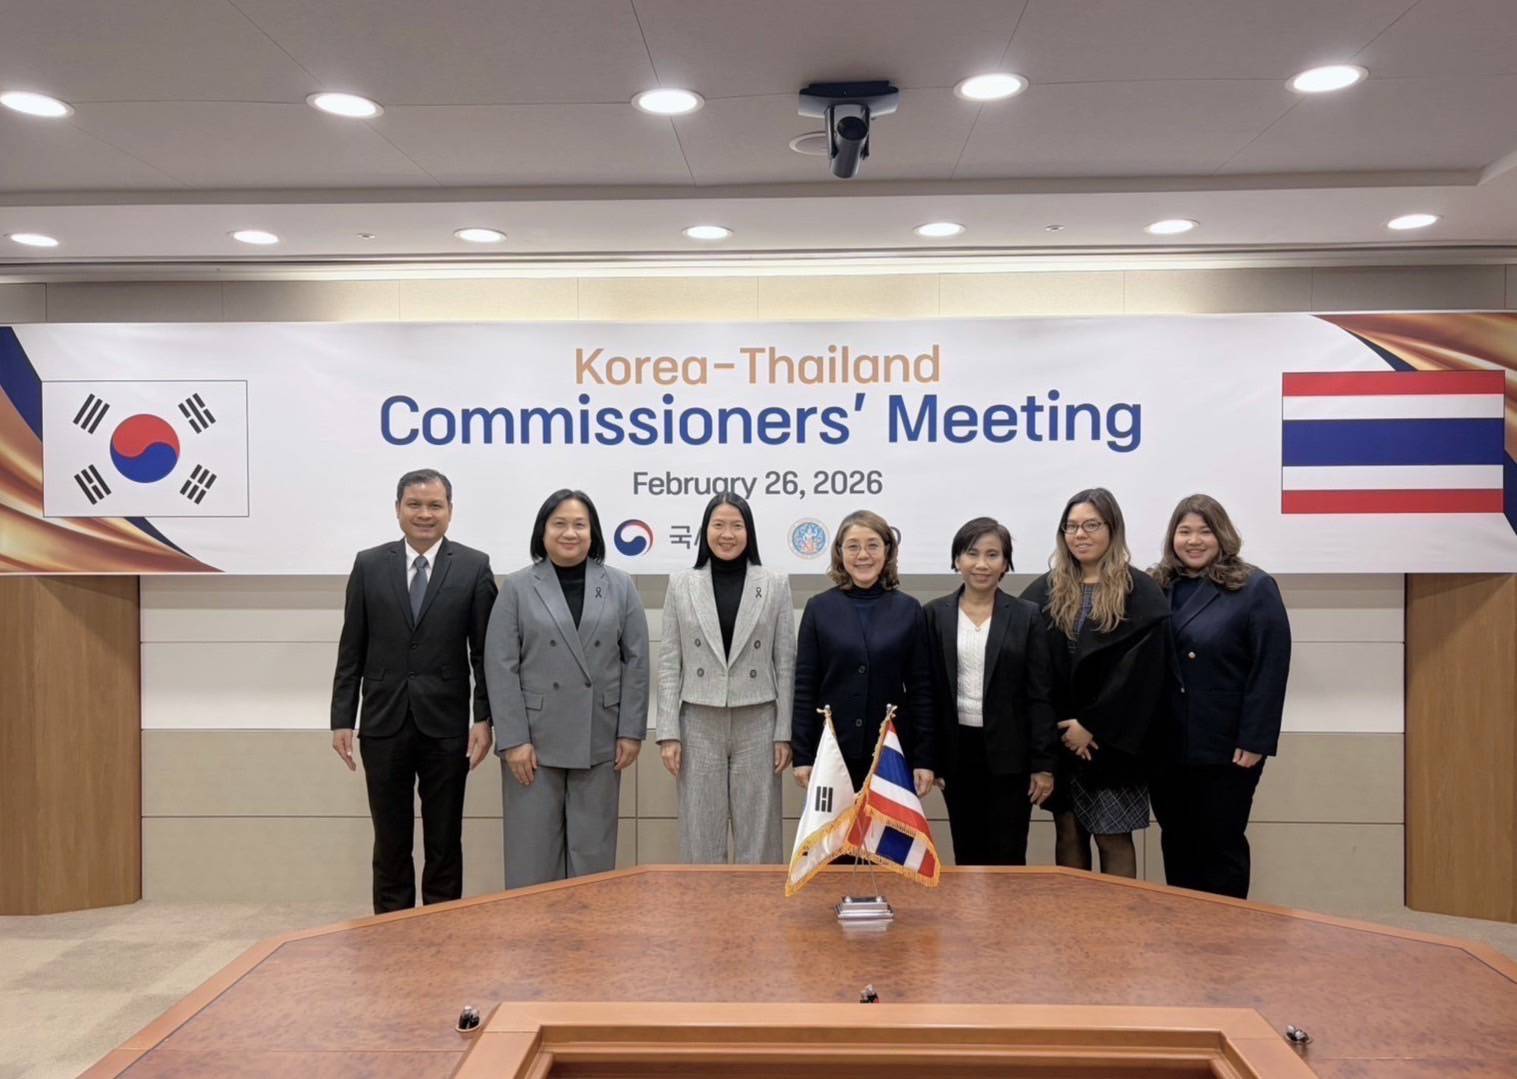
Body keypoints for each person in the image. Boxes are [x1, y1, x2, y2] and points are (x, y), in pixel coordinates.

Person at [329, 469, 497, 914]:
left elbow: (484, 653)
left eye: (435, 505)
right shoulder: (369, 564)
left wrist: (484, 717)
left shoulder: (474, 566)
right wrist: (342, 718)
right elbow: (352, 648)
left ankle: (442, 926)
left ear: (450, 511)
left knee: (444, 839)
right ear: (398, 509)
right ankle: (392, 929)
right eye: (415, 505)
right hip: (383, 723)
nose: (425, 514)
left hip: (447, 728)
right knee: (390, 839)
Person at [485, 489, 649, 888]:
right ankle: (533, 928)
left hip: (600, 737)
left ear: (593, 533)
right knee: (532, 855)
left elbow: (637, 661)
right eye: (559, 524)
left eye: (579, 524)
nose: (569, 533)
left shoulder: (620, 585)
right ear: (542, 531)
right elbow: (501, 667)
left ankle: (591, 927)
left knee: (593, 855)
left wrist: (630, 731)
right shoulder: (518, 587)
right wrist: (514, 740)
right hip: (534, 744)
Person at [1020, 488, 1168, 878]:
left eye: (1091, 525)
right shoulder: (1045, 590)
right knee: (1068, 832)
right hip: (1062, 741)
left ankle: (1118, 918)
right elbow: (1032, 668)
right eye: (1071, 527)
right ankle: (1074, 918)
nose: (1080, 534)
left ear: (1112, 529)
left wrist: (1092, 725)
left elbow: (1144, 675)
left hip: (1116, 743)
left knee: (1112, 837)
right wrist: (1063, 729)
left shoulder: (1141, 592)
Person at [1149, 494, 1291, 898]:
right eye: (1184, 531)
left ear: (1222, 535)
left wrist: (1255, 739)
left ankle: (1227, 933)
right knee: (1177, 842)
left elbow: (1271, 667)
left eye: (1205, 531)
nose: (1194, 541)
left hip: (1226, 747)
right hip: (1168, 746)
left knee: (1220, 844)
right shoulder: (1157, 586)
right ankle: (1185, 929)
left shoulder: (1254, 586)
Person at [655, 493, 796, 863]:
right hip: (698, 720)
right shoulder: (681, 584)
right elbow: (669, 663)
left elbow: (785, 663)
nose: (727, 534)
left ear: (749, 532)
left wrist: (784, 732)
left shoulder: (775, 583)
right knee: (700, 834)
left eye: (737, 525)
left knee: (760, 835)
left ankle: (759, 902)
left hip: (759, 719)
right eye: (718, 525)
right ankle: (703, 903)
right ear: (705, 531)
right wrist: (668, 733)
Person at [923, 517, 1057, 865]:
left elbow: (1040, 695)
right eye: (972, 553)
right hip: (958, 753)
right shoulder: (934, 614)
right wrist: (929, 758)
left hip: (1012, 756)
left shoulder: (1027, 615)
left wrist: (1043, 764)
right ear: (957, 560)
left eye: (992, 555)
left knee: (1008, 854)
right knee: (967, 852)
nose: (981, 564)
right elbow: (927, 693)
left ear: (1005, 563)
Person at [791, 509, 935, 797]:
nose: (863, 555)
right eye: (853, 546)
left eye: (872, 545)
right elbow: (805, 686)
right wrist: (802, 754)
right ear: (840, 552)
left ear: (887, 551)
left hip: (891, 753)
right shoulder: (819, 608)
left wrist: (924, 758)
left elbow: (922, 690)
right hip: (832, 753)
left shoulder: (909, 609)